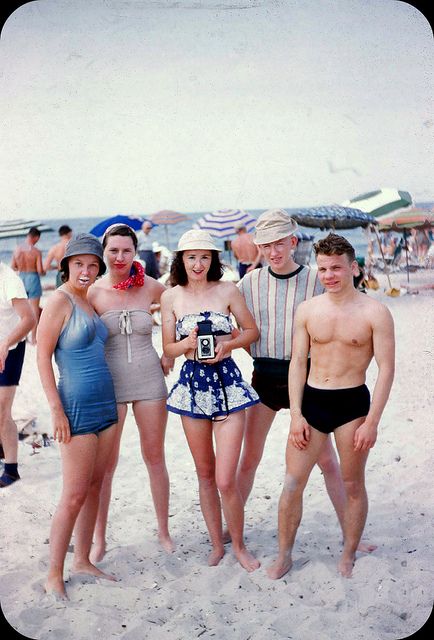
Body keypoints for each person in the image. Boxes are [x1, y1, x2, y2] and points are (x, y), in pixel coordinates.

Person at [236, 209, 376, 552]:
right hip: (265, 375)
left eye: (280, 244)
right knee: (250, 457)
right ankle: (233, 529)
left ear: (293, 242)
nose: (274, 252)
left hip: (310, 379)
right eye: (266, 245)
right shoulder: (248, 283)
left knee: (328, 462)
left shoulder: (318, 278)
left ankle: (350, 532)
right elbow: (228, 321)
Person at [267, 233, 395, 580]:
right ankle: (284, 555)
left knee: (353, 484)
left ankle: (349, 552)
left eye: (336, 268)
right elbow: (297, 362)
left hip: (353, 403)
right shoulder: (308, 310)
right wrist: (295, 414)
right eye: (323, 268)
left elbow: (386, 369)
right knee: (292, 482)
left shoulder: (376, 312)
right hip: (312, 402)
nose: (329, 275)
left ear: (353, 268)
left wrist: (372, 422)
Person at [160, 229, 261, 571]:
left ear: (214, 260)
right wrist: (185, 344)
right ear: (181, 260)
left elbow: (251, 331)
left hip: (228, 382)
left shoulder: (228, 290)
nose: (198, 264)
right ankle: (218, 544)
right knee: (204, 473)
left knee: (224, 479)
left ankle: (241, 545)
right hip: (192, 387)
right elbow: (168, 349)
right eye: (191, 257)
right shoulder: (171, 297)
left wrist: (227, 346)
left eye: (205, 257)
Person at [36, 233, 119, 599]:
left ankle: (82, 559)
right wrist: (56, 410)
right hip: (76, 408)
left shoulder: (88, 300)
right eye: (78, 264)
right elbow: (42, 357)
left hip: (106, 404)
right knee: (73, 494)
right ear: (66, 265)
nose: (85, 271)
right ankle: (53, 574)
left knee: (96, 487)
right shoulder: (59, 300)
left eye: (92, 265)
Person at [87, 223, 175, 561]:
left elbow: (178, 309)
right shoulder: (93, 292)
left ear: (135, 252)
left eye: (126, 250)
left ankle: (164, 531)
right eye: (114, 250)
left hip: (150, 381)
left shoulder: (153, 287)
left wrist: (169, 352)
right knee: (106, 465)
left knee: (155, 457)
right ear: (104, 252)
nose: (120, 257)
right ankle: (99, 540)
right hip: (110, 385)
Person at [0, 261, 35, 488]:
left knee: (2, 411)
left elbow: (29, 319)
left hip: (10, 350)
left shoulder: (9, 280)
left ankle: (11, 469)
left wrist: (6, 343)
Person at [11, 227, 45, 344]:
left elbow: (13, 266)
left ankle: (23, 337)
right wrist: (44, 272)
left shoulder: (17, 249)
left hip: (21, 279)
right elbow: (40, 270)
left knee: (21, 310)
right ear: (36, 237)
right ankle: (33, 338)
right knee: (34, 310)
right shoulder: (36, 251)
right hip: (33, 278)